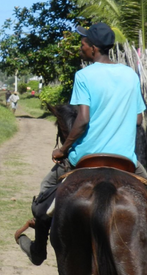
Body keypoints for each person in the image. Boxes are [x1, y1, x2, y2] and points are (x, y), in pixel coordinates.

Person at [16, 22, 147, 265]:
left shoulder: (84, 75)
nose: (81, 47)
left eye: (83, 43)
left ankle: (38, 250)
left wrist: (62, 149)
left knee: (45, 193)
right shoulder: (130, 75)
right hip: (126, 161)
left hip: (85, 157)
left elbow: (83, 119)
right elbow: (138, 119)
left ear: (94, 49)